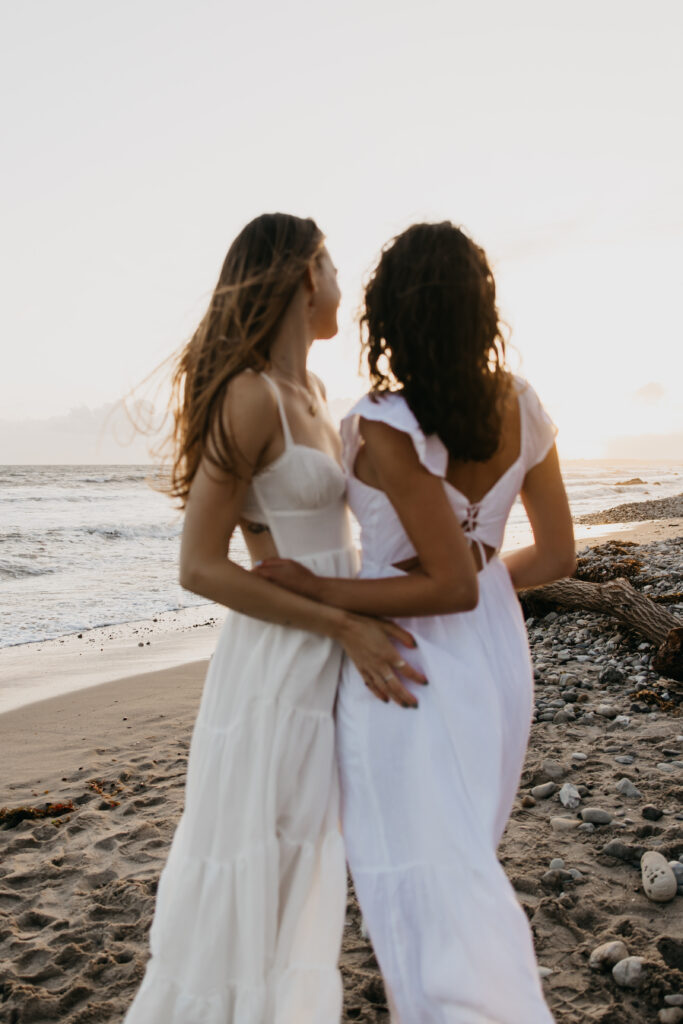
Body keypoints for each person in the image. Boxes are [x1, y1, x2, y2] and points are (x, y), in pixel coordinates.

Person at [255, 221, 575, 1022]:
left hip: (402, 654)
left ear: (389, 313)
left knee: (417, 867)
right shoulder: (524, 405)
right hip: (497, 654)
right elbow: (555, 556)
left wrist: (321, 593)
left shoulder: (384, 422)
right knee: (463, 853)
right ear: (480, 307)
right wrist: (485, 583)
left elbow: (441, 585)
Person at [122, 213, 426, 1024]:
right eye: (330, 265)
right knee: (258, 864)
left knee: (302, 865)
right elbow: (199, 566)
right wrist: (343, 626)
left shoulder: (317, 396)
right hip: (277, 666)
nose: (339, 283)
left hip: (332, 655)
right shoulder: (250, 397)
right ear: (301, 275)